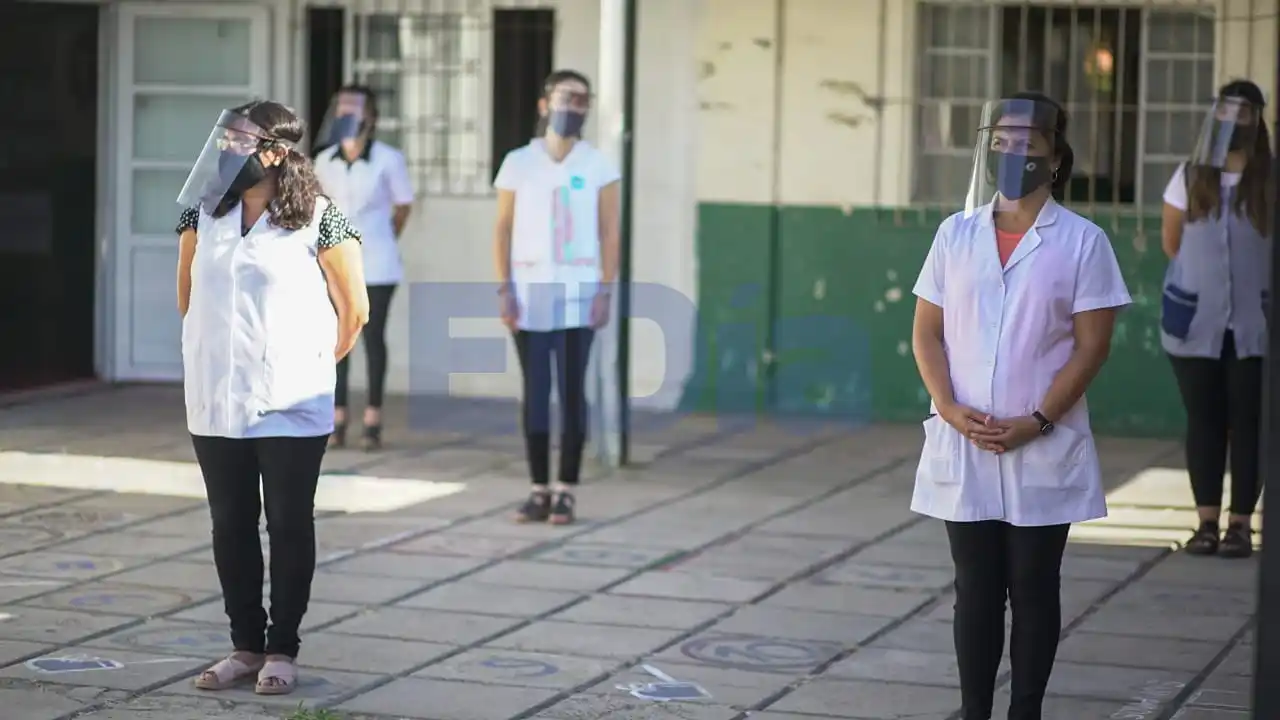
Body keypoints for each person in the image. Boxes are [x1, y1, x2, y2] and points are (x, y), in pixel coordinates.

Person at [909, 93, 1132, 720]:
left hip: (1043, 442)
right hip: (966, 438)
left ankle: (1025, 711)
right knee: (974, 589)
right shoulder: (956, 234)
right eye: (1001, 143)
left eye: (1027, 146)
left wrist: (1038, 421)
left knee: (1033, 587)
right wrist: (949, 408)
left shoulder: (1083, 243)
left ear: (1055, 158)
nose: (1011, 155)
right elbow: (926, 330)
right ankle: (974, 710)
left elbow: (1092, 348)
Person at [175, 101, 369, 694]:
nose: (227, 150)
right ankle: (245, 647)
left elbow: (354, 308)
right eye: (224, 139)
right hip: (216, 398)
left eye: (241, 141)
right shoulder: (199, 213)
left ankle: (283, 648)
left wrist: (307, 364)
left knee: (287, 523)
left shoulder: (319, 217)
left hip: (292, 402)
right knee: (229, 523)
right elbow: (187, 297)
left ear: (274, 153)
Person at [491, 69, 620, 525]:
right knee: (536, 391)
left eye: (583, 100)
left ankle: (566, 488)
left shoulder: (598, 164)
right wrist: (504, 288)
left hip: (580, 293)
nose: (574, 107)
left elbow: (609, 231)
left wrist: (605, 289)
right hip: (529, 293)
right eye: (566, 97)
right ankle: (538, 487)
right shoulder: (518, 162)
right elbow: (503, 229)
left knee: (571, 391)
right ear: (545, 104)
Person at [1160, 79, 1272, 559]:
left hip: (1255, 326)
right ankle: (1205, 522)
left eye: (1244, 113)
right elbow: (1172, 243)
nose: (1233, 121)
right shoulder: (1188, 177)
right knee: (1203, 420)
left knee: (1248, 422)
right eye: (1225, 112)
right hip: (1195, 322)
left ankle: (1241, 526)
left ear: (1258, 121)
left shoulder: (1270, 181)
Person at [314, 85, 414, 451]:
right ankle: (336, 415)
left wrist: (385, 235)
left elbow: (403, 206)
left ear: (370, 117)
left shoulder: (388, 159)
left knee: (372, 339)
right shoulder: (324, 161)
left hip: (378, 260)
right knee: (338, 340)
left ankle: (373, 416)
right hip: (336, 262)